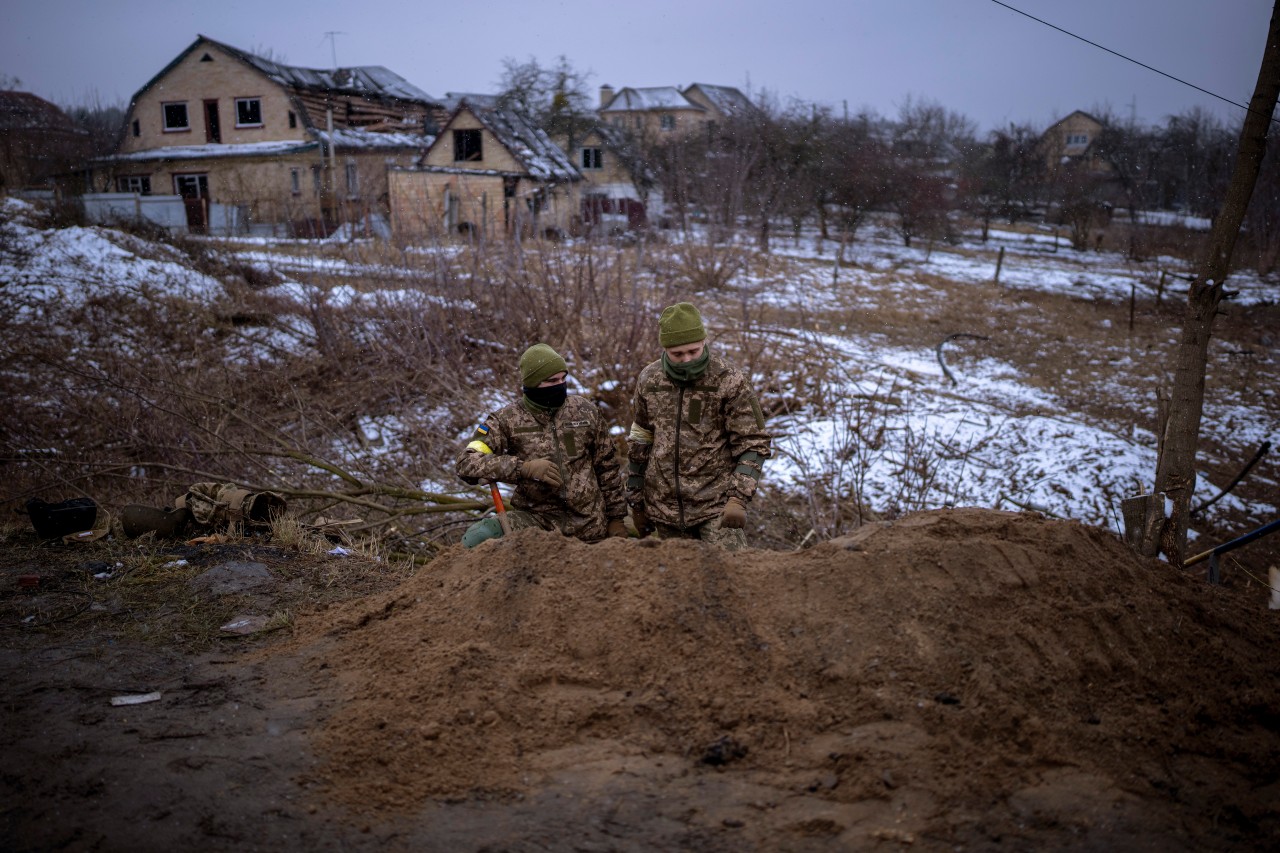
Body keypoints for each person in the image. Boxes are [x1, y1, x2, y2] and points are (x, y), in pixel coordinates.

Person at [625, 302, 771, 551]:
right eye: (677, 354)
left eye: (693, 351)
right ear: (665, 349)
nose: (687, 360)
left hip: (715, 508)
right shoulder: (650, 379)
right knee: (676, 585)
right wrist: (636, 501)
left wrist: (738, 499)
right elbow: (641, 437)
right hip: (663, 509)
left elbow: (753, 442)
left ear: (704, 341)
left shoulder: (728, 379)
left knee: (729, 580)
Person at [456, 343, 628, 546]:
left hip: (589, 524)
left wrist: (616, 519)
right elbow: (466, 463)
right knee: (478, 536)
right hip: (536, 522)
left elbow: (607, 468)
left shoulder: (586, 412)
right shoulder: (505, 420)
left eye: (564, 378)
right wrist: (523, 468)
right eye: (552, 380)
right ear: (533, 383)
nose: (560, 385)